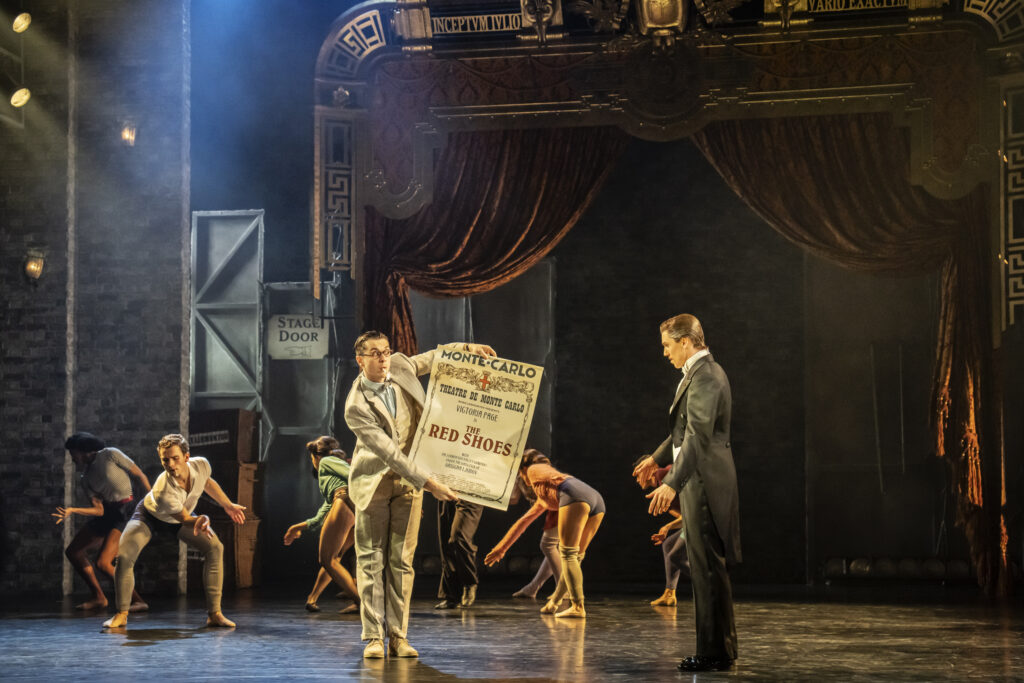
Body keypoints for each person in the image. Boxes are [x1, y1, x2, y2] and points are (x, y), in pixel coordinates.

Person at [344, 331, 496, 659]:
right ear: (360, 360)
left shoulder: (399, 365)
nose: (383, 357)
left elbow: (432, 358)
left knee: (402, 562)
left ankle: (398, 636)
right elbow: (389, 454)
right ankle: (373, 637)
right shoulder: (356, 405)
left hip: (409, 484)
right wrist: (431, 483)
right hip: (374, 484)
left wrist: (468, 348)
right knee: (371, 559)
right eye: (374, 353)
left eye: (385, 351)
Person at [633, 313, 741, 672]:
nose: (665, 353)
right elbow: (681, 432)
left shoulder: (706, 375)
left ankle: (714, 653)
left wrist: (670, 483)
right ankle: (720, 650)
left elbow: (697, 437)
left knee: (707, 568)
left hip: (704, 482)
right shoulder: (697, 375)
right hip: (698, 478)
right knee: (705, 567)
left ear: (685, 341)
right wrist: (655, 457)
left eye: (667, 345)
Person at [101, 433, 247, 630]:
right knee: (125, 557)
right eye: (165, 460)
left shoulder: (201, 465)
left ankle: (215, 614)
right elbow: (186, 520)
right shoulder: (163, 489)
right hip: (150, 515)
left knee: (215, 548)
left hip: (181, 514)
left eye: (175, 458)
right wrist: (201, 518)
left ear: (186, 457)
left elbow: (207, 482)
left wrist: (227, 505)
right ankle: (122, 614)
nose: (170, 464)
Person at [484, 449, 605, 618]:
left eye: (520, 474)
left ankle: (577, 606)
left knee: (568, 555)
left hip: (572, 492)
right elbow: (522, 523)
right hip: (595, 499)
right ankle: (555, 602)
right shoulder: (544, 499)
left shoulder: (534, 470)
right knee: (574, 558)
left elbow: (550, 474)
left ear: (523, 469)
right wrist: (501, 548)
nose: (523, 479)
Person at [54, 432, 151, 611]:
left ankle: (138, 601)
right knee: (73, 552)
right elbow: (98, 510)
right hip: (109, 513)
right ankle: (99, 597)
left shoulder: (110, 454)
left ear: (82, 451)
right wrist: (72, 510)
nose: (72, 458)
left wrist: (152, 499)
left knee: (103, 563)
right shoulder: (86, 478)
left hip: (126, 511)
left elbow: (139, 475)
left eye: (72, 453)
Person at [283, 439, 359, 614]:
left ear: (316, 456)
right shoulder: (329, 481)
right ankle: (312, 598)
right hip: (351, 506)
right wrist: (298, 527)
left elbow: (353, 476)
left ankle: (361, 603)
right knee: (333, 558)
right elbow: (320, 516)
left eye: (311, 459)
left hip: (346, 500)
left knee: (327, 559)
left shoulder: (326, 461)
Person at [434, 499, 484, 609]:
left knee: (459, 538)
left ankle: (469, 581)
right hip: (447, 488)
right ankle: (451, 595)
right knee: (446, 543)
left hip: (471, 491)